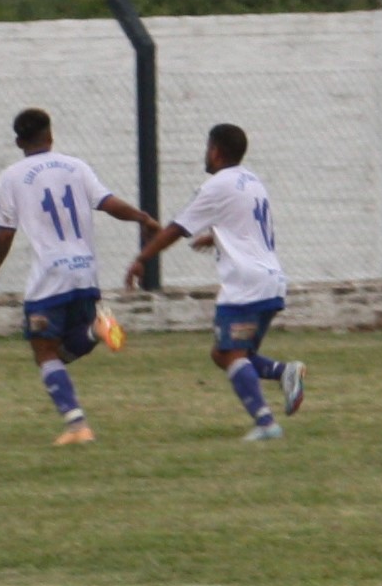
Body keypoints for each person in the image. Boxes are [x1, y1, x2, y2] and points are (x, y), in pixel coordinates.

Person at [0, 109, 159, 446]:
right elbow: (108, 203)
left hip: (50, 276)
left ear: (18, 141)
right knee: (63, 352)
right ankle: (95, 330)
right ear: (50, 135)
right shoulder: (76, 167)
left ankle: (77, 425)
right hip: (85, 271)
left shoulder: (11, 176)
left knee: (44, 352)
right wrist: (141, 217)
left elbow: (4, 234)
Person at [127, 123, 306, 440]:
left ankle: (266, 424)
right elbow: (247, 226)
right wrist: (217, 236)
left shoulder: (216, 186)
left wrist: (142, 258)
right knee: (226, 353)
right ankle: (283, 372)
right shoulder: (252, 181)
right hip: (271, 281)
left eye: (207, 147)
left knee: (231, 355)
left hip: (245, 286)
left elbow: (176, 228)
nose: (205, 154)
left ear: (216, 151)